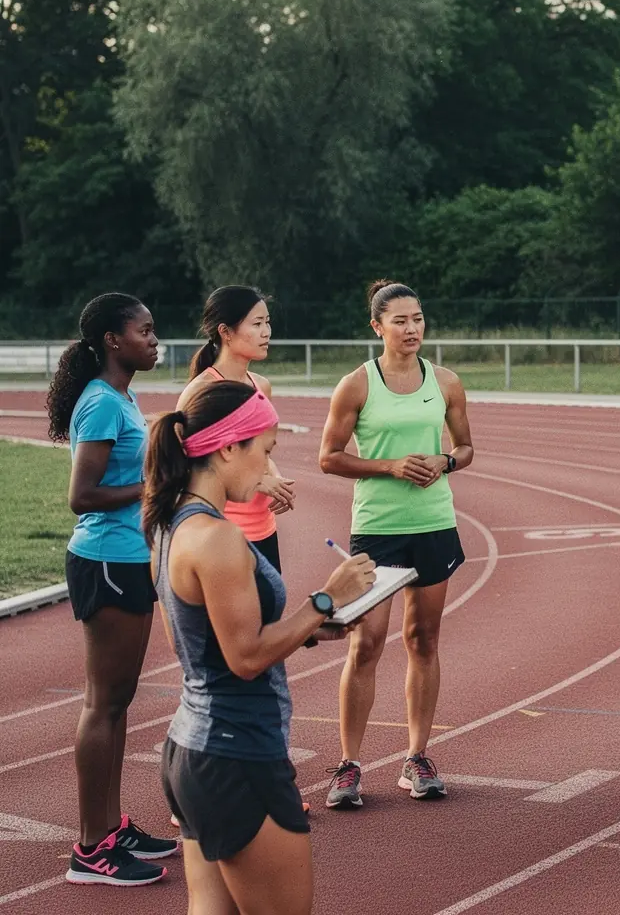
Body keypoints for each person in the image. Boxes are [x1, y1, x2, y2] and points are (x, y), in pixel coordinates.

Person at [143, 379, 376, 914]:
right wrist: (324, 600)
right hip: (238, 753)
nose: (270, 471)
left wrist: (307, 626)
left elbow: (200, 643)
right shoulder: (217, 536)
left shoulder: (171, 523)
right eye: (265, 453)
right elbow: (244, 658)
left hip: (192, 749)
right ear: (228, 446)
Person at [318, 279, 474, 808]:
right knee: (365, 643)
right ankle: (348, 765)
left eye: (419, 319)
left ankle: (417, 757)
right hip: (379, 527)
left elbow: (467, 446)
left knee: (423, 639)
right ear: (377, 326)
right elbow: (329, 457)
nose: (412, 329)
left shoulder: (447, 381)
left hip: (433, 522)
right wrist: (388, 465)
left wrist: (445, 460)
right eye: (401, 320)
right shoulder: (357, 385)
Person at [45, 292, 178, 887]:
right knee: (103, 702)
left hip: (125, 557)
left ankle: (110, 826)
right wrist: (156, 488)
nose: (154, 340)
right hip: (104, 559)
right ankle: (90, 848)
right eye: (145, 332)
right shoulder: (101, 402)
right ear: (112, 341)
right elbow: (82, 496)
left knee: (118, 702)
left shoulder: (121, 395)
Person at [178, 285, 296, 574]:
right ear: (225, 331)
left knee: (269, 616)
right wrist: (257, 482)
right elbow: (187, 468)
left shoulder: (261, 385)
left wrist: (275, 478)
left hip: (264, 530)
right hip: (221, 530)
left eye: (267, 322)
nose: (266, 331)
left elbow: (260, 452)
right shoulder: (202, 391)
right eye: (256, 324)